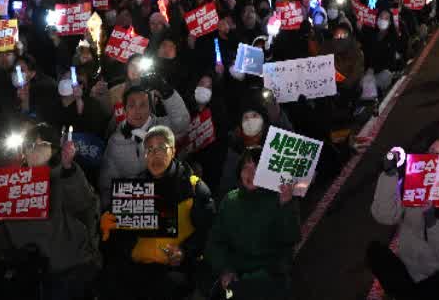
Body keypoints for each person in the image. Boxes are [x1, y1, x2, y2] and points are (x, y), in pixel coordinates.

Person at [0, 123, 101, 300]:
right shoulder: (9, 185)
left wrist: (69, 170)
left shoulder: (67, 175)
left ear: (53, 149)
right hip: (25, 274)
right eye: (29, 145)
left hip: (69, 271)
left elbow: (86, 206)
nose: (34, 150)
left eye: (42, 144)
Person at [100, 125, 215, 300]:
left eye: (161, 147)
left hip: (176, 275)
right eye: (149, 149)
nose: (155, 154)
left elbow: (209, 233)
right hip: (135, 275)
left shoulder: (193, 187)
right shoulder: (134, 188)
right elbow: (119, 242)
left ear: (174, 151)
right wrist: (109, 226)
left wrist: (184, 252)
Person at [368, 128, 439, 299]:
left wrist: (431, 220)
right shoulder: (412, 182)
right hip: (410, 269)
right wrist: (389, 174)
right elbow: (383, 215)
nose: (437, 159)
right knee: (375, 252)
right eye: (432, 152)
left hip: (438, 277)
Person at [205, 148, 300, 299]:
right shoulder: (230, 201)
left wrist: (285, 207)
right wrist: (225, 270)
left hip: (269, 277)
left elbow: (290, 240)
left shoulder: (280, 198)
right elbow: (215, 242)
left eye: (257, 167)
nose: (251, 173)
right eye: (245, 167)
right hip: (235, 276)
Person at [98, 82, 191, 206]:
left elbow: (182, 123)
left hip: (165, 205)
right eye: (132, 106)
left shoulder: (162, 128)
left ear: (150, 108)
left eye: (143, 105)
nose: (137, 111)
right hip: (133, 212)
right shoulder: (115, 143)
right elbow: (106, 186)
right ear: (125, 110)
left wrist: (167, 93)